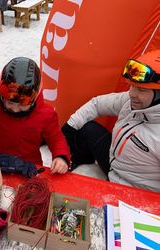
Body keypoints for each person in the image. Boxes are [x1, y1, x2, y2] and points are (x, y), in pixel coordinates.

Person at [61, 50, 160, 192]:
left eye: (141, 89)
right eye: (132, 86)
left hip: (135, 190)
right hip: (113, 162)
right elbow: (97, 104)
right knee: (86, 128)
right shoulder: (131, 100)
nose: (132, 94)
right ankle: (78, 168)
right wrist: (70, 127)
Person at [0, 57, 70, 174]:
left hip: (28, 168)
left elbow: (56, 139)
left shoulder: (46, 115)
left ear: (35, 97)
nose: (15, 109)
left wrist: (61, 156)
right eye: (10, 103)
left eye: (22, 105)